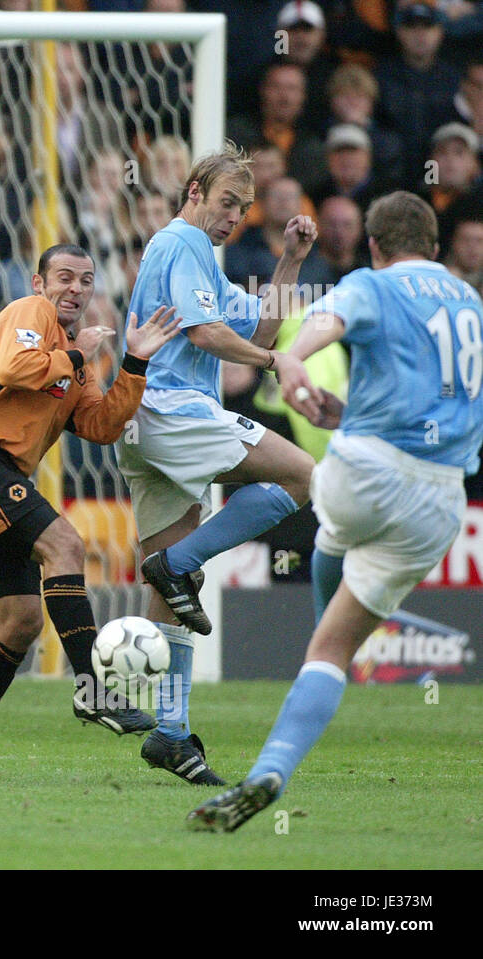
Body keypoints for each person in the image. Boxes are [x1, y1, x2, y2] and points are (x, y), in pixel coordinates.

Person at [188, 191, 483, 831]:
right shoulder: (471, 304)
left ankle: (270, 761)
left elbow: (321, 326)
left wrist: (291, 361)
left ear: (375, 247)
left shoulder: (373, 285)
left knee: (330, 524)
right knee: (335, 648)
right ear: (435, 247)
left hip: (363, 473)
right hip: (440, 496)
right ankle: (272, 765)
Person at [0, 245, 179, 781]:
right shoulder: (29, 314)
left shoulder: (73, 355)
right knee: (65, 544)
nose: (75, 289)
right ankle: (93, 689)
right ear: (40, 282)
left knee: (20, 622)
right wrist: (80, 356)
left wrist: (134, 362)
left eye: (86, 281)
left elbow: (102, 426)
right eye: (64, 277)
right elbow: (15, 368)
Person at [115, 143, 318, 785]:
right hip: (174, 410)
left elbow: (259, 331)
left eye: (244, 209)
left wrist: (290, 262)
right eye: (227, 201)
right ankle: (176, 564)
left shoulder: (200, 260)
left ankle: (170, 733)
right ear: (195, 189)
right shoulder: (179, 244)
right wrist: (274, 366)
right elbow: (210, 339)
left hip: (149, 425)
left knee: (173, 602)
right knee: (301, 474)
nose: (234, 217)